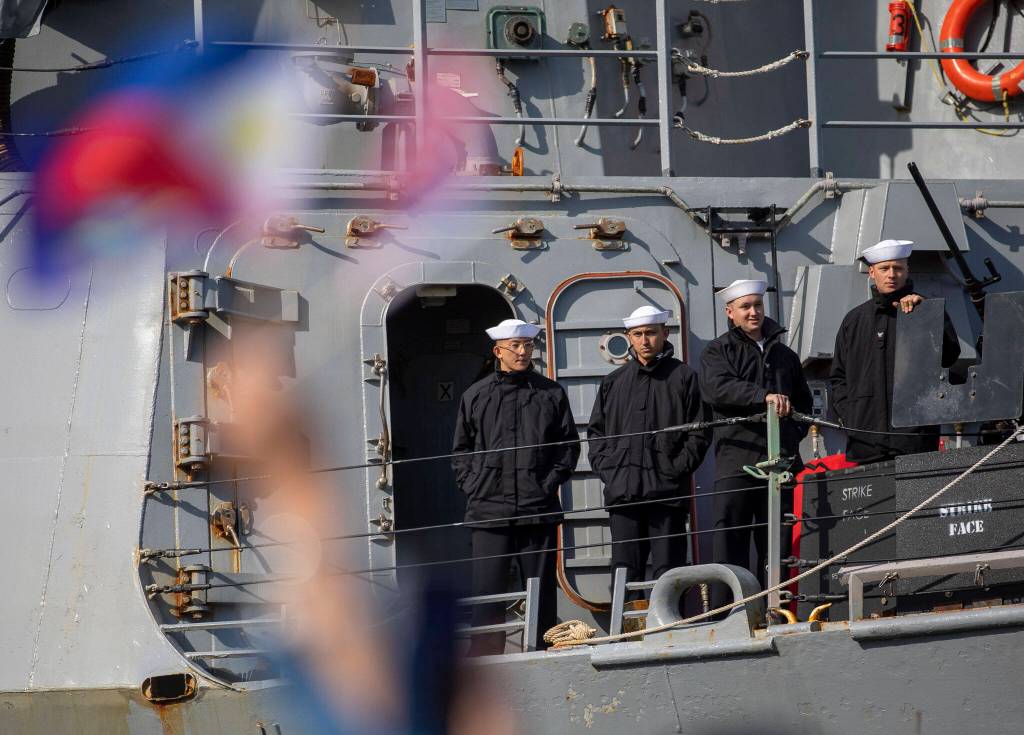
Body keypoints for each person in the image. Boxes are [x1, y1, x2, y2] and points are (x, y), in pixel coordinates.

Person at [451, 318, 579, 655]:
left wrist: (547, 483)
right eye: (515, 346)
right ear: (498, 351)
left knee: (541, 592)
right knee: (487, 592)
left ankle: (543, 654)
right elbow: (461, 450)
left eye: (527, 346)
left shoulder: (551, 393)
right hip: (488, 509)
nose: (523, 352)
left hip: (538, 509)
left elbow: (568, 446)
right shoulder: (475, 395)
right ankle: (485, 658)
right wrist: (473, 484)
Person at [587, 305, 710, 601]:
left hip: (666, 494)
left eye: (651, 333)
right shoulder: (613, 382)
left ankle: (669, 630)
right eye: (638, 334)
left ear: (665, 334)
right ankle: (627, 634)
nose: (644, 341)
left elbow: (700, 432)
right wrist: (611, 472)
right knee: (624, 569)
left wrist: (674, 468)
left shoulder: (684, 378)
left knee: (669, 570)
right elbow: (596, 435)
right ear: (629, 337)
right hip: (623, 494)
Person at [699, 279, 811, 599]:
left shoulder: (784, 355)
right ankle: (727, 615)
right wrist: (763, 396)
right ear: (730, 312)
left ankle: (776, 609)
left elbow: (803, 404)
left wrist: (789, 436)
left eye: (757, 306)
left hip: (781, 465)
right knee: (729, 544)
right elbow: (717, 388)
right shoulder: (717, 352)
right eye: (745, 307)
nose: (753, 312)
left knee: (777, 544)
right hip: (737, 462)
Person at [830, 239, 961, 464]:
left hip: (915, 442)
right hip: (866, 442)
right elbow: (838, 378)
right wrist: (853, 416)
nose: (891, 274)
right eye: (884, 268)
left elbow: (949, 355)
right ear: (872, 272)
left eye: (898, 268)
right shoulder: (854, 320)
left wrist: (926, 315)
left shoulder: (925, 310)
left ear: (907, 270)